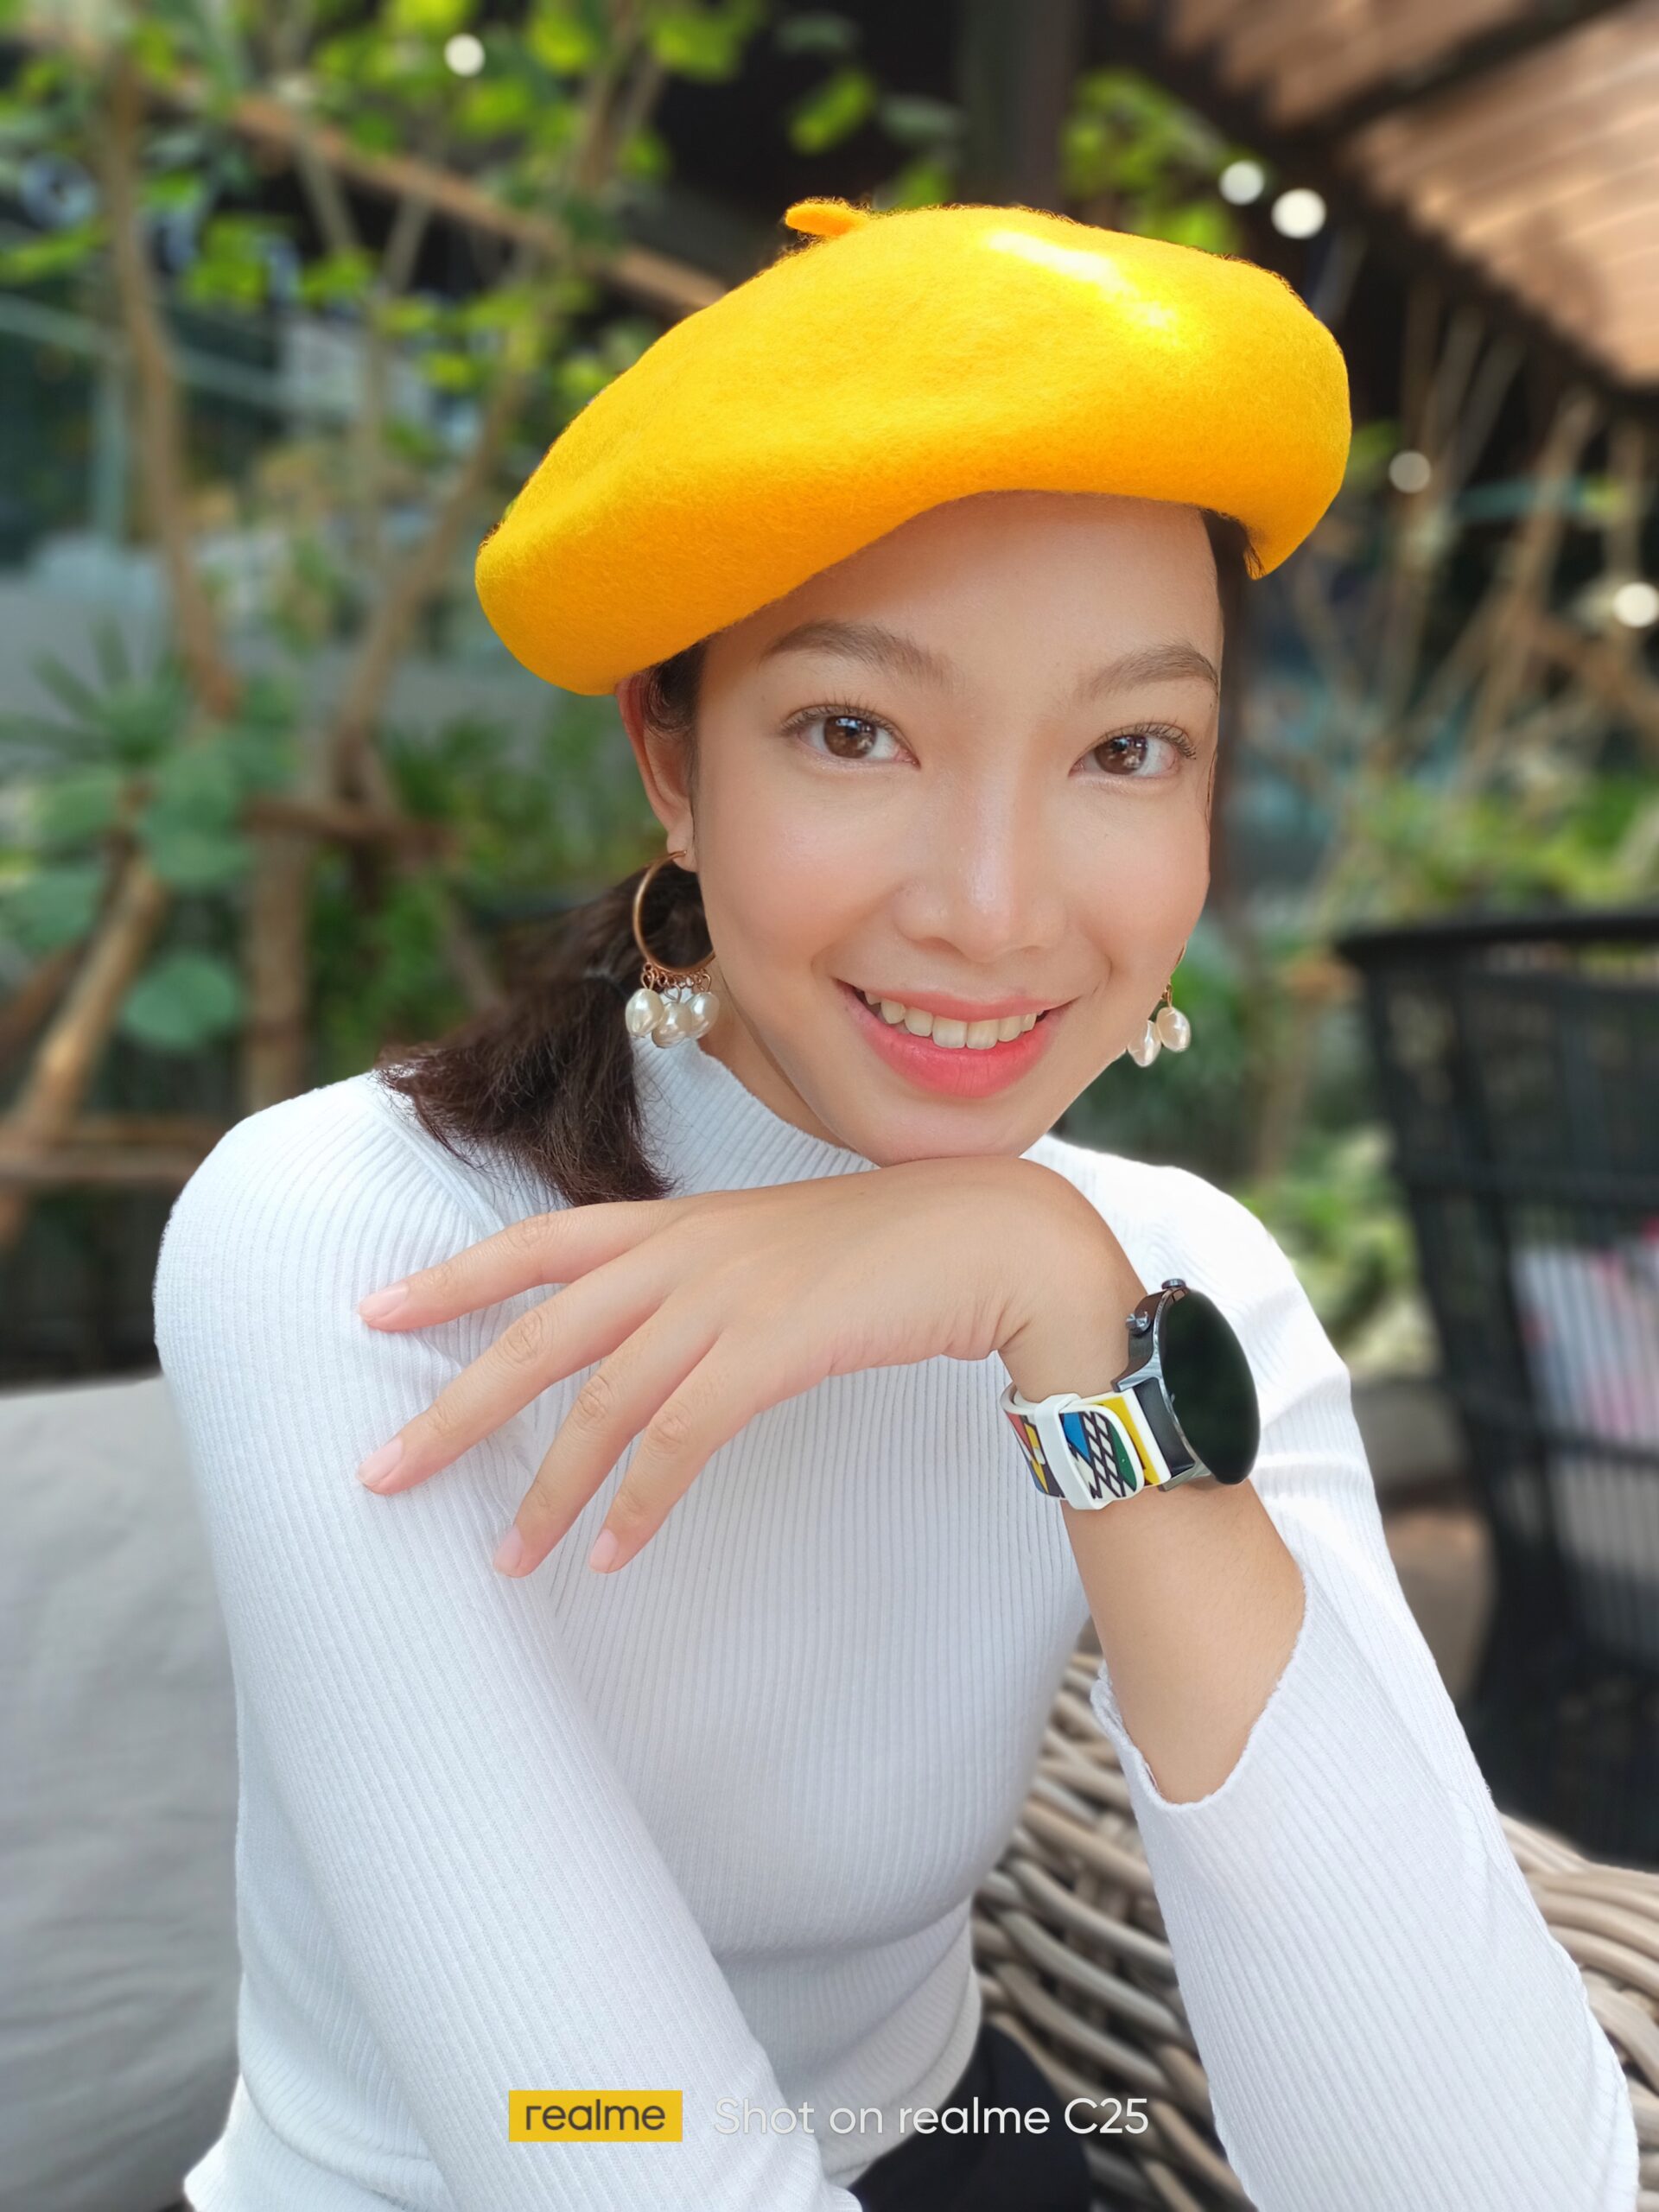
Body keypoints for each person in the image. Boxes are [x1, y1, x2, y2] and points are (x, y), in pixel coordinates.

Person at [154, 200, 1637, 2212]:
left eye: (1129, 745)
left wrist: (1054, 1295)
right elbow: (586, 2133)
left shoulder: (1169, 1277)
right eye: (854, 729)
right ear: (672, 754)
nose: (997, 908)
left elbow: (1492, 2181)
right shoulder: (358, 1235)